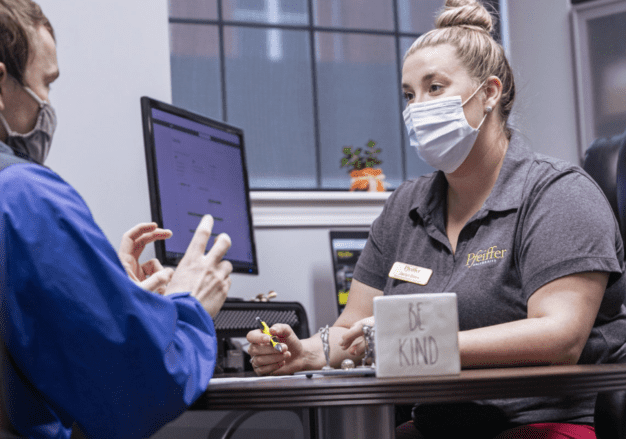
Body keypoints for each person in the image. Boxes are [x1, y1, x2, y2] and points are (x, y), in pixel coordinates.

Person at [247, 1, 626, 438]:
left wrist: (411, 346)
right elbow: (354, 330)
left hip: (539, 425)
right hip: (434, 427)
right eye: (409, 95)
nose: (417, 107)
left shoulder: (557, 193)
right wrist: (306, 353)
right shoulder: (406, 206)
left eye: (435, 88)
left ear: (489, 93)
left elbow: (559, 337)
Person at [0, 0, 234, 438]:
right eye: (46, 84)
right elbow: (135, 389)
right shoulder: (21, 196)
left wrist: (109, 295)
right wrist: (188, 305)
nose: (47, 104)